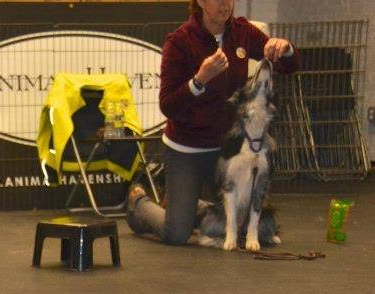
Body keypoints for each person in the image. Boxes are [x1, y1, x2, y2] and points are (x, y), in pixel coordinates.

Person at [125, 0, 299, 245]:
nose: (225, 4)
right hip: (187, 150)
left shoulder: (243, 31)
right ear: (200, 2)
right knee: (177, 234)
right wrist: (199, 80)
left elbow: (290, 66)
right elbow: (168, 105)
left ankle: (187, 204)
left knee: (249, 224)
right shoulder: (179, 42)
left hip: (227, 149)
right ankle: (138, 203)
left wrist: (285, 48)